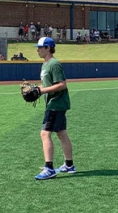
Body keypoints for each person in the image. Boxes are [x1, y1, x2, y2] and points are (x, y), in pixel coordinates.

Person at [33, 37, 74, 180]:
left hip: (56, 103)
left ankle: (49, 168)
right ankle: (69, 165)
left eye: (39, 47)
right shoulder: (45, 65)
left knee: (45, 134)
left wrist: (42, 91)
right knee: (61, 133)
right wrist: (37, 89)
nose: (37, 50)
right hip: (54, 102)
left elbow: (62, 84)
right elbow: (48, 84)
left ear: (48, 48)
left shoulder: (54, 64)